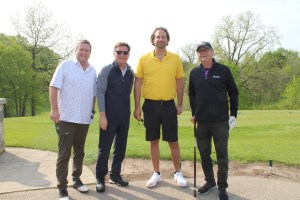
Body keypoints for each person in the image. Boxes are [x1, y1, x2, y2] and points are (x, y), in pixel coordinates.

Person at [134, 27, 187, 188]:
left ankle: (177, 172)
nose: (160, 39)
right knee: (153, 141)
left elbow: (180, 82)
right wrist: (137, 107)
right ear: (153, 39)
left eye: (163, 37)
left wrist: (179, 103)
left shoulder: (175, 58)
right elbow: (138, 83)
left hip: (169, 105)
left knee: (173, 141)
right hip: (149, 106)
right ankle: (156, 173)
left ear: (167, 40)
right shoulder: (143, 59)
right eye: (158, 37)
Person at [188, 41, 239, 200]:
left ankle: (222, 186)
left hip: (220, 122)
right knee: (204, 154)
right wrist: (194, 112)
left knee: (222, 155)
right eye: (200, 51)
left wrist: (233, 115)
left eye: (206, 50)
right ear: (198, 54)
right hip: (201, 122)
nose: (203, 53)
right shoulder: (194, 73)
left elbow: (234, 93)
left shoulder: (223, 70)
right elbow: (192, 94)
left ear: (212, 52)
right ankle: (210, 182)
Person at [49, 39, 97, 200]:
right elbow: (53, 87)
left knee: (80, 152)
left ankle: (76, 179)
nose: (84, 52)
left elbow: (93, 93)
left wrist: (91, 111)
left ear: (90, 52)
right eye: (81, 49)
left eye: (87, 50)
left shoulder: (92, 70)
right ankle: (62, 188)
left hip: (84, 119)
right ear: (75, 50)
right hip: (66, 117)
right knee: (64, 154)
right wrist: (54, 109)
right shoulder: (65, 66)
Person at [95, 42, 134, 193]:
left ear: (128, 55)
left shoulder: (131, 73)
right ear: (114, 54)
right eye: (119, 52)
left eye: (125, 52)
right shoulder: (107, 70)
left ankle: (115, 175)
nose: (122, 55)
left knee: (120, 148)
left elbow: (127, 93)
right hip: (108, 117)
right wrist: (102, 116)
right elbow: (100, 92)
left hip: (124, 117)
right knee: (104, 149)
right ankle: (100, 178)